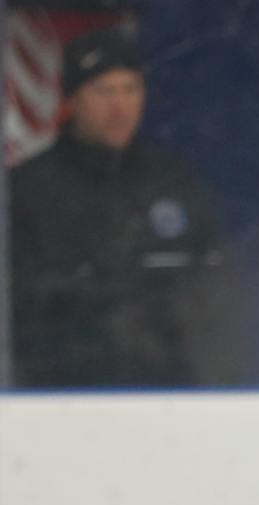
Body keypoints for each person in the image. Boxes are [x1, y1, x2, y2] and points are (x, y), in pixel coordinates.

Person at [7, 26, 238, 387]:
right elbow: (22, 305)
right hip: (61, 394)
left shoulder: (174, 181)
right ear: (72, 101)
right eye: (104, 91)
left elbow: (213, 291)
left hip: (167, 394)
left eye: (131, 89)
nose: (120, 106)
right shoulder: (28, 189)